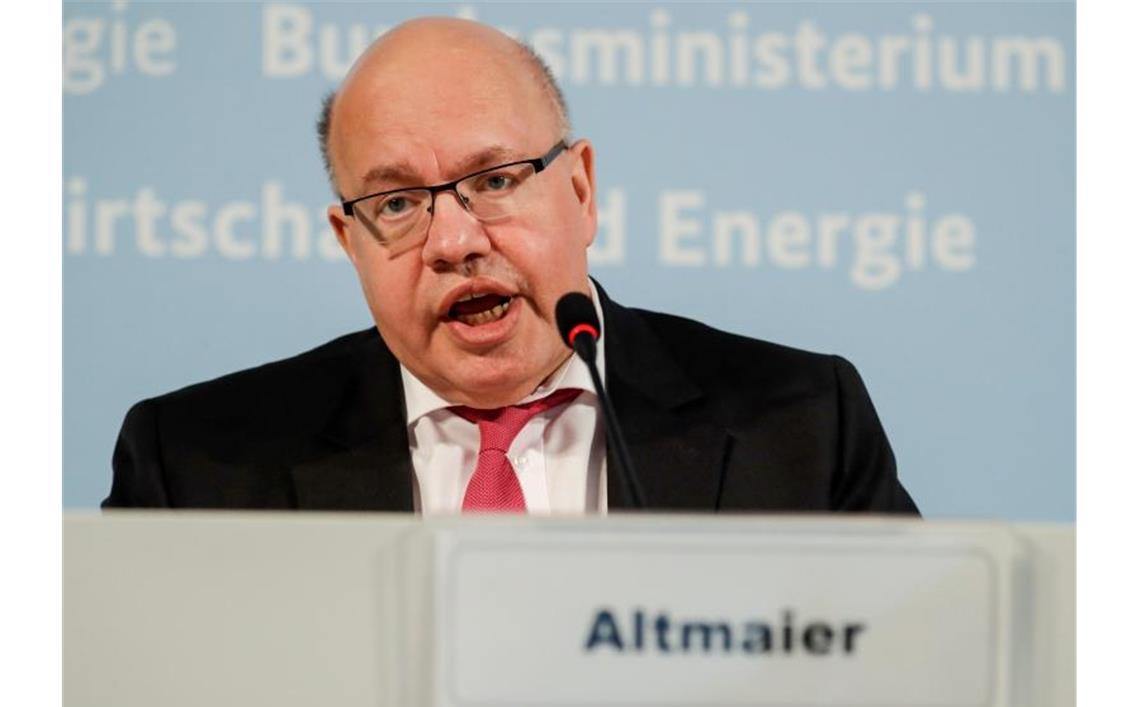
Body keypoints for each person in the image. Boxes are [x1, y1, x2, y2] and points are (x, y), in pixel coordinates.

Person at [103, 17, 918, 516]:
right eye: (396, 205)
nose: (454, 241)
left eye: (494, 182)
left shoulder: (803, 426)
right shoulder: (192, 465)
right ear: (348, 242)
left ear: (581, 189)